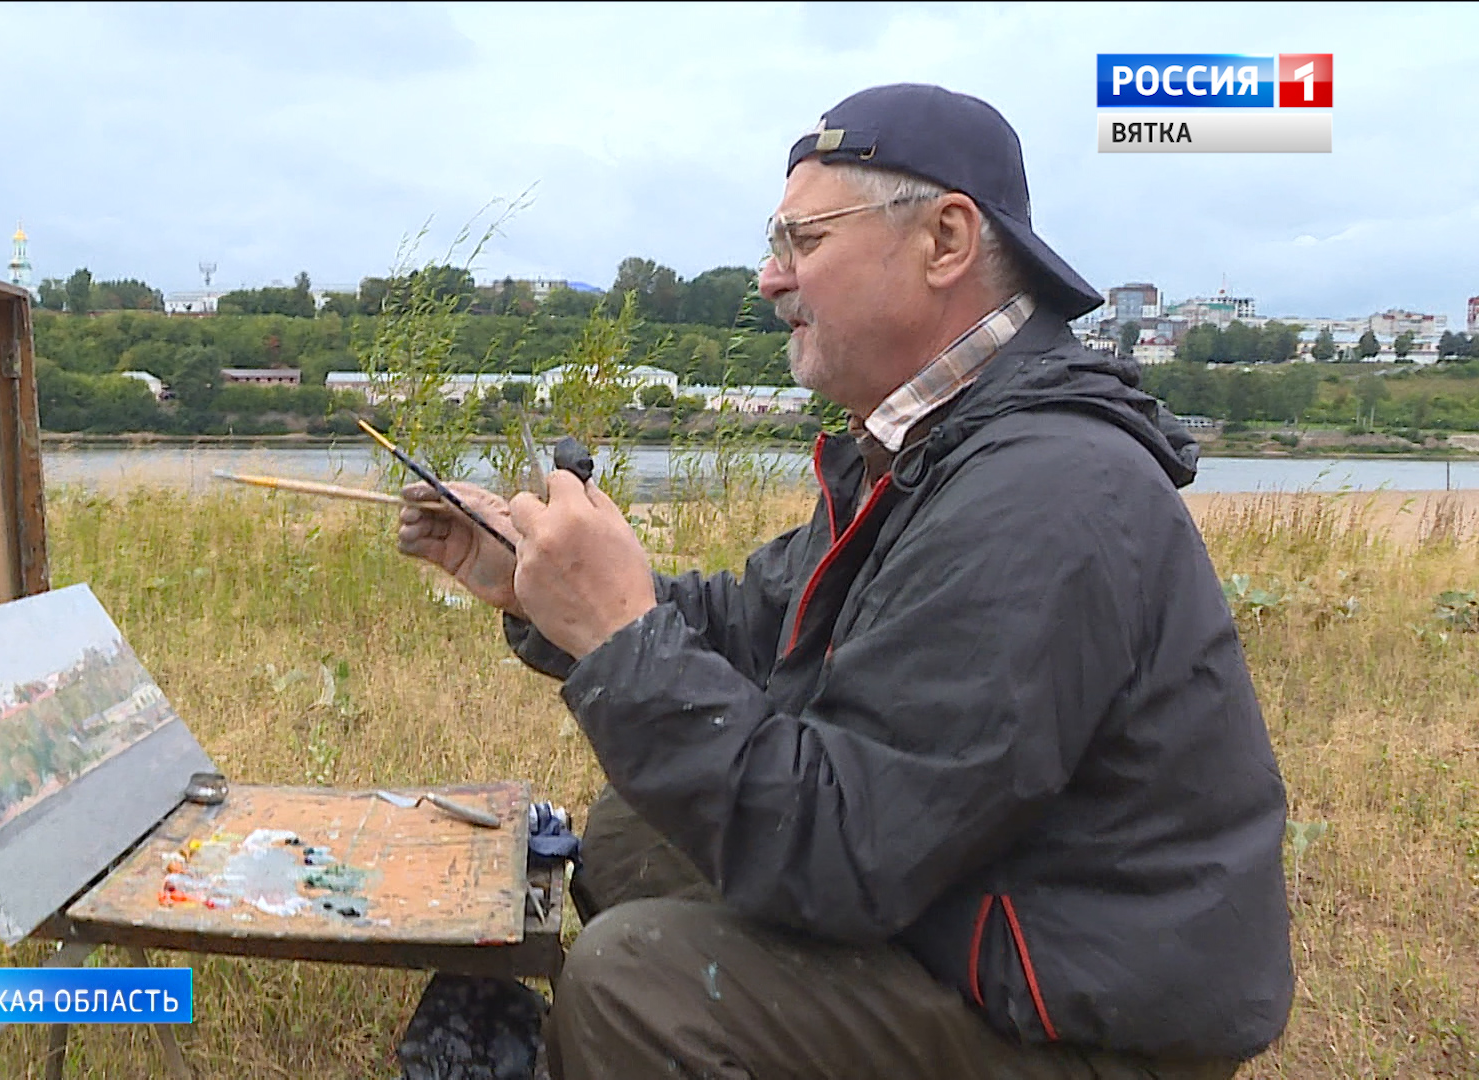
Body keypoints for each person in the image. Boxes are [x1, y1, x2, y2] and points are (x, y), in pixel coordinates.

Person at [396, 83, 1292, 1079]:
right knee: (632, 836)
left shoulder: (1046, 491)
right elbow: (756, 628)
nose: (771, 277)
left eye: (803, 240)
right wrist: (540, 586)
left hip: (1081, 1019)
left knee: (636, 985)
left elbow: (840, 853)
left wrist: (617, 634)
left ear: (946, 241)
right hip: (970, 911)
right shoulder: (936, 444)